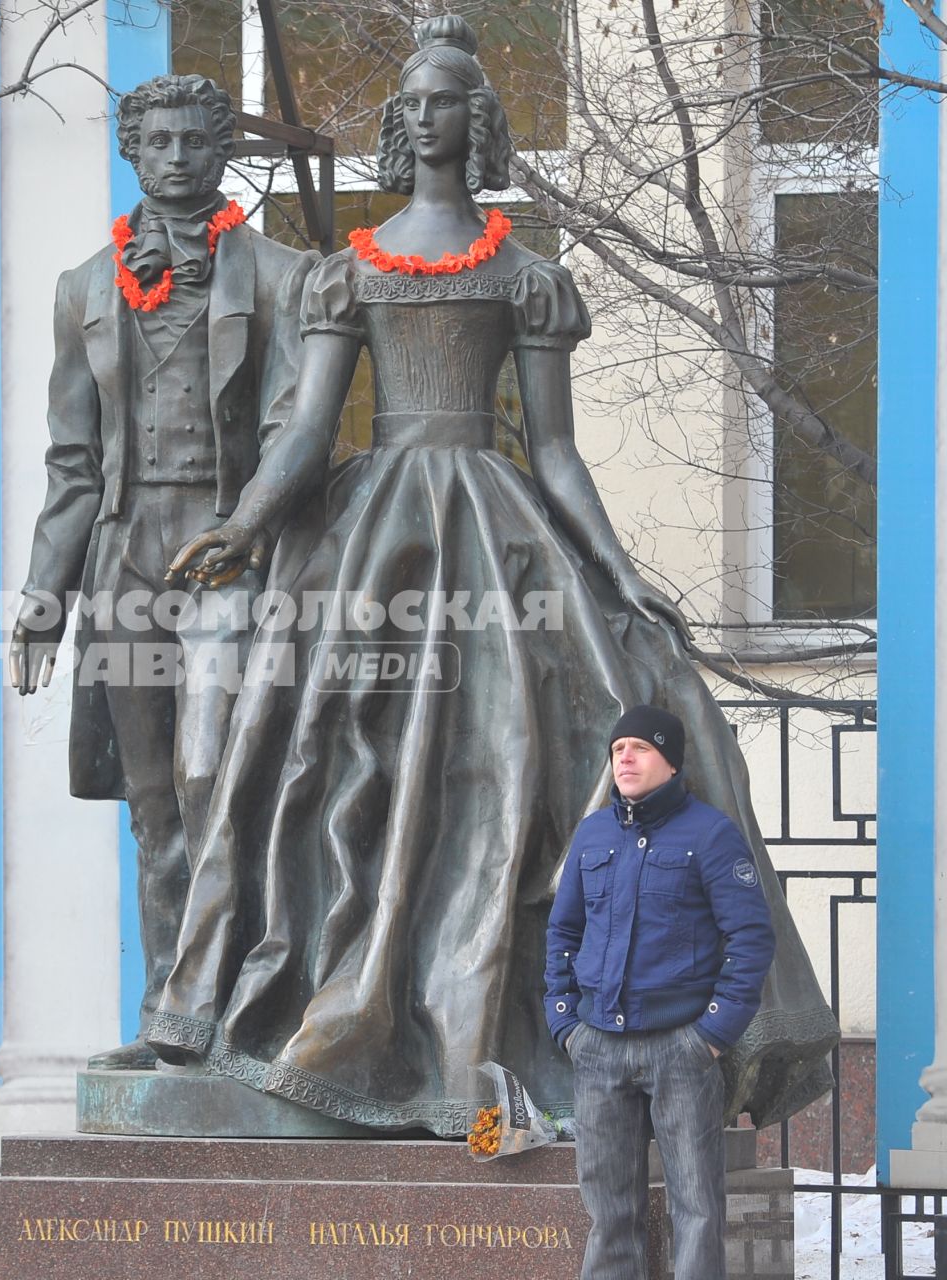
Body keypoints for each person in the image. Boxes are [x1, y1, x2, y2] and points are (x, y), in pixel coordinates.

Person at [150, 15, 836, 1135]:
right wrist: (242, 524)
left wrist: (618, 570)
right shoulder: (348, 271)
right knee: (336, 754)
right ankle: (326, 1004)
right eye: (414, 101)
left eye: (450, 100)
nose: (429, 116)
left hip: (497, 523)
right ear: (397, 122)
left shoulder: (525, 276)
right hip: (378, 540)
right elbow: (309, 433)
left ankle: (505, 1020)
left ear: (481, 121)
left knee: (519, 756)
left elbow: (556, 449)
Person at [9, 72, 317, 1070]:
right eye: (159, 143)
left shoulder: (280, 276)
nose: (179, 159)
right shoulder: (84, 289)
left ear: (222, 151)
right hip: (127, 558)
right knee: (154, 809)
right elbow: (71, 463)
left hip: (232, 556)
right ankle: (168, 1023)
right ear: (132, 153)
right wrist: (45, 604)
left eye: (196, 141)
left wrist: (250, 527)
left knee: (218, 786)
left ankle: (249, 1012)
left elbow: (289, 425)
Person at [544, 705, 774, 1280]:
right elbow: (563, 930)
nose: (625, 757)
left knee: (696, 1208)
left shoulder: (711, 834)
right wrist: (565, 1021)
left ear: (670, 761)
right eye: (618, 748)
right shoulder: (594, 832)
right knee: (607, 1210)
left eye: (640, 748)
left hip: (682, 1048)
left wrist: (713, 1036)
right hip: (597, 1046)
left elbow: (749, 938)